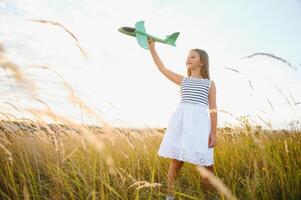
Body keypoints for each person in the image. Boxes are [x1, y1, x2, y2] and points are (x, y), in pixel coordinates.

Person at [147, 39, 218, 200]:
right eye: (187, 56)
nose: (188, 59)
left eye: (192, 57)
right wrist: (152, 49)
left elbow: (213, 110)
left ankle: (209, 196)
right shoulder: (183, 80)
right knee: (176, 161)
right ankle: (169, 196)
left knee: (207, 166)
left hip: (200, 127)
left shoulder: (209, 84)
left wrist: (213, 133)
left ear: (202, 63)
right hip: (182, 124)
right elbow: (163, 69)